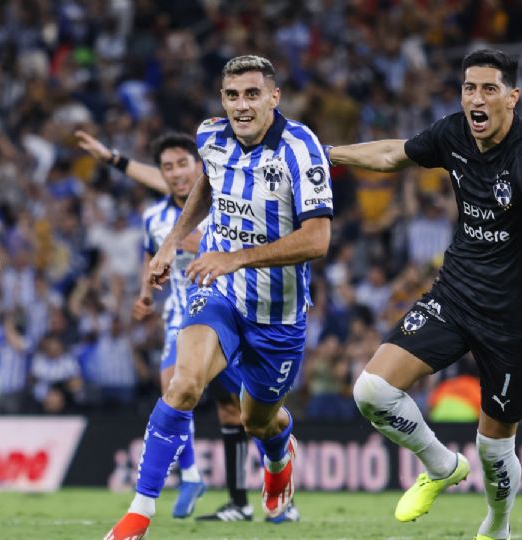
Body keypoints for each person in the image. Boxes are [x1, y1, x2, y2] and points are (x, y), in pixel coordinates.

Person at [328, 48, 522, 540]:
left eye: (489, 89)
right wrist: (328, 154)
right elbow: (394, 154)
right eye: (469, 88)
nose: (476, 99)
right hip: (456, 294)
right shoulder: (452, 132)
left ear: (512, 97)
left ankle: (498, 526)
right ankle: (439, 466)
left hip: (516, 318)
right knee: (371, 391)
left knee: (494, 447)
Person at [104, 54, 332, 539]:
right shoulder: (209, 135)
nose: (241, 106)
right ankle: (139, 514)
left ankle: (278, 454)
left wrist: (237, 256)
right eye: (232, 95)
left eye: (252, 94)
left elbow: (317, 239)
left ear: (274, 96)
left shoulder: (301, 148)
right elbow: (207, 184)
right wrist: (170, 243)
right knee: (183, 384)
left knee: (259, 421)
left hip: (278, 314)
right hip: (221, 294)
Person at [77, 129, 281, 521]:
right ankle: (193, 478)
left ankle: (258, 487)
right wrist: (146, 293)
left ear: (199, 167)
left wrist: (113, 158)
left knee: (242, 411)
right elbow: (150, 254)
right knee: (179, 386)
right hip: (182, 317)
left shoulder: (225, 201)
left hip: (231, 312)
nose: (173, 174)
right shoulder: (155, 216)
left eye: (182, 165)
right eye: (166, 168)